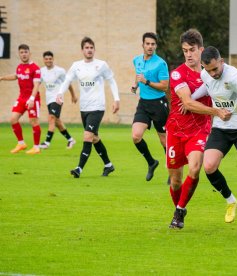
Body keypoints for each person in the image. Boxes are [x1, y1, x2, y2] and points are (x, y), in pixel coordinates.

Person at [192, 46, 237, 223]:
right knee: (208, 166)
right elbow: (206, 85)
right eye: (208, 70)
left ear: (221, 62)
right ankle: (230, 200)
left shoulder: (234, 75)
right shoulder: (206, 74)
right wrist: (191, 99)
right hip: (221, 128)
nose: (213, 74)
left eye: (215, 69)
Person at [166, 29, 231, 229]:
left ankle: (180, 211)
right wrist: (215, 111)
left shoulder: (210, 73)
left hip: (199, 130)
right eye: (185, 50)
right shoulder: (177, 73)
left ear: (201, 50)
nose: (188, 54)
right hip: (176, 130)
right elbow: (187, 102)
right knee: (175, 181)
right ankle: (178, 206)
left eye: (192, 50)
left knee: (195, 168)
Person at [56, 37, 120, 178]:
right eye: (87, 47)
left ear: (94, 50)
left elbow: (111, 81)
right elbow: (66, 80)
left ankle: (79, 168)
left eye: (91, 47)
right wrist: (60, 93)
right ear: (82, 50)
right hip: (84, 108)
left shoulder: (101, 65)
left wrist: (116, 99)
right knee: (94, 138)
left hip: (97, 107)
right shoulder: (76, 66)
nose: (89, 50)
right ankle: (108, 165)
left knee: (87, 136)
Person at [131, 32, 169, 182]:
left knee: (164, 141)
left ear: (156, 46)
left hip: (159, 104)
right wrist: (135, 85)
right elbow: (138, 74)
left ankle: (172, 171)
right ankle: (151, 162)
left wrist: (146, 82)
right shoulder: (137, 60)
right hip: (143, 103)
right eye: (148, 44)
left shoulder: (161, 63)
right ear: (143, 45)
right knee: (135, 136)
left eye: (153, 44)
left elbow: (164, 87)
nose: (150, 46)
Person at [0, 44, 42, 154]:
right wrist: (2, 78)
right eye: (22, 52)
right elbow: (15, 76)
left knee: (33, 122)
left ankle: (36, 147)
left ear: (30, 53)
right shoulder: (19, 67)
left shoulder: (35, 68)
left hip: (33, 98)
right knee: (13, 119)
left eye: (26, 52)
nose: (24, 54)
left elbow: (37, 85)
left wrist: (32, 99)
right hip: (21, 98)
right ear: (19, 54)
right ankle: (21, 143)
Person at [39, 51, 77, 149]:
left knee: (51, 117)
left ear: (53, 59)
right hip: (49, 99)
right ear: (43, 60)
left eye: (50, 59)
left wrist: (73, 95)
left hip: (57, 98)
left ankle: (47, 143)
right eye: (46, 59)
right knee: (57, 122)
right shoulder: (41, 71)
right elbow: (37, 84)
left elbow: (67, 83)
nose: (48, 61)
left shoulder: (60, 71)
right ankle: (70, 139)